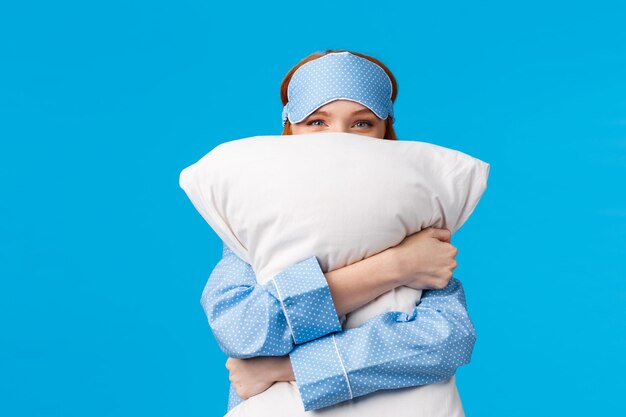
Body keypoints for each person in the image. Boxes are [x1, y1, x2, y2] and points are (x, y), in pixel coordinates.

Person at [200, 50, 477, 415]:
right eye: (317, 122)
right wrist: (396, 266)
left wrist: (285, 369)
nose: (339, 140)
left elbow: (445, 341)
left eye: (361, 124)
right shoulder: (256, 220)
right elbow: (243, 329)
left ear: (385, 131)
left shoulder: (419, 215)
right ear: (289, 129)